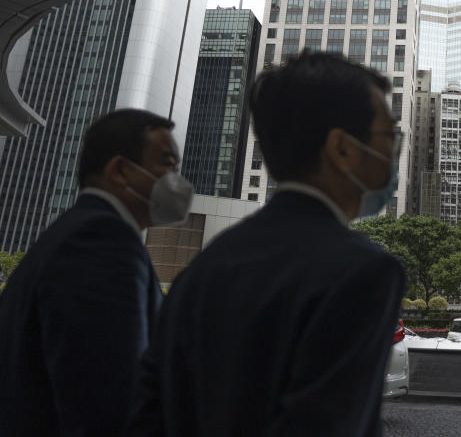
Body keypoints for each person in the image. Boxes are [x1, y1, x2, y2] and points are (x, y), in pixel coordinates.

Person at [126, 52, 406, 436]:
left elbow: (148, 413)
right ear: (342, 149)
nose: (394, 155)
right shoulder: (363, 271)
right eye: (390, 137)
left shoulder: (208, 265)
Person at [0, 109, 189, 436]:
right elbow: (110, 404)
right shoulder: (103, 239)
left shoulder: (73, 231)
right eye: (168, 164)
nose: (177, 181)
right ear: (120, 171)